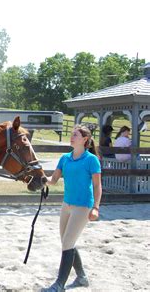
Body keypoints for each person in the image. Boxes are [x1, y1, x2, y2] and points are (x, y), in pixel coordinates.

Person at [42, 125, 102, 292]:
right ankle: (82, 277)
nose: (72, 137)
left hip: (83, 206)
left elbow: (97, 186)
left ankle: (59, 285)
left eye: (75, 135)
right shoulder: (65, 158)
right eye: (71, 134)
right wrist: (41, 179)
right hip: (66, 204)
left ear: (84, 140)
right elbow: (53, 180)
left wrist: (96, 207)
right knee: (67, 242)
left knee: (67, 243)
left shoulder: (91, 160)